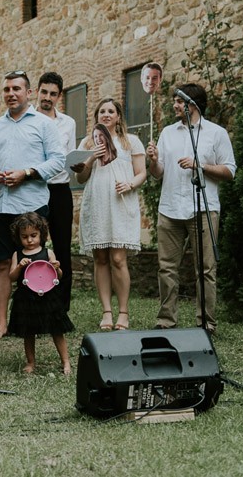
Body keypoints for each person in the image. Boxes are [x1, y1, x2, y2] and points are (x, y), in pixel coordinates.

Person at [146, 83, 235, 333]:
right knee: (166, 268)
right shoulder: (167, 133)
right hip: (170, 207)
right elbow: (158, 174)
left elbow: (230, 170)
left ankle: (206, 324)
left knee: (206, 269)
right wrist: (153, 161)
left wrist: (201, 165)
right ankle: (166, 321)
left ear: (193, 104)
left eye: (178, 101)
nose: (174, 105)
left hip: (204, 209)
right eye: (174, 100)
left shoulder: (216, 133)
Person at [0, 70, 65, 339]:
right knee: (1, 264)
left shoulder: (44, 125)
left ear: (28, 92)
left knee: (35, 262)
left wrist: (27, 172)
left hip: (31, 205)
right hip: (0, 205)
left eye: (16, 89)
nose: (11, 94)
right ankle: (1, 323)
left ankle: (37, 322)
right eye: (7, 89)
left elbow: (57, 161)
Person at [73, 99, 147, 331]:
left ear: (118, 116)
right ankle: (106, 311)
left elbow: (142, 173)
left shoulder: (130, 141)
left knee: (118, 259)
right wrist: (92, 156)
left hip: (120, 203)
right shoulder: (87, 142)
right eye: (102, 111)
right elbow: (80, 178)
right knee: (100, 259)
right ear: (97, 117)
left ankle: (123, 312)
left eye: (110, 111)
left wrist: (130, 184)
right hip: (96, 204)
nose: (106, 114)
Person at [7, 212, 73, 374]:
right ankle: (30, 362)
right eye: (25, 237)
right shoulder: (18, 254)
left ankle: (66, 362)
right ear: (18, 237)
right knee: (28, 332)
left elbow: (59, 276)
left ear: (42, 235)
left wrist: (57, 267)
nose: (29, 240)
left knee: (57, 330)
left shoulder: (48, 252)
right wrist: (19, 267)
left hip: (48, 297)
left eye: (33, 235)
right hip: (26, 298)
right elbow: (11, 277)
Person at [35, 72, 77, 310]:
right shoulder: (28, 119)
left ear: (59, 96)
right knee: (33, 247)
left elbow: (68, 157)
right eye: (44, 92)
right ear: (37, 92)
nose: (47, 98)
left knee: (62, 248)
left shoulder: (68, 123)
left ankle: (62, 307)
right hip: (34, 188)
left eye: (52, 94)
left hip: (61, 190)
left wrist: (77, 165)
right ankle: (36, 304)